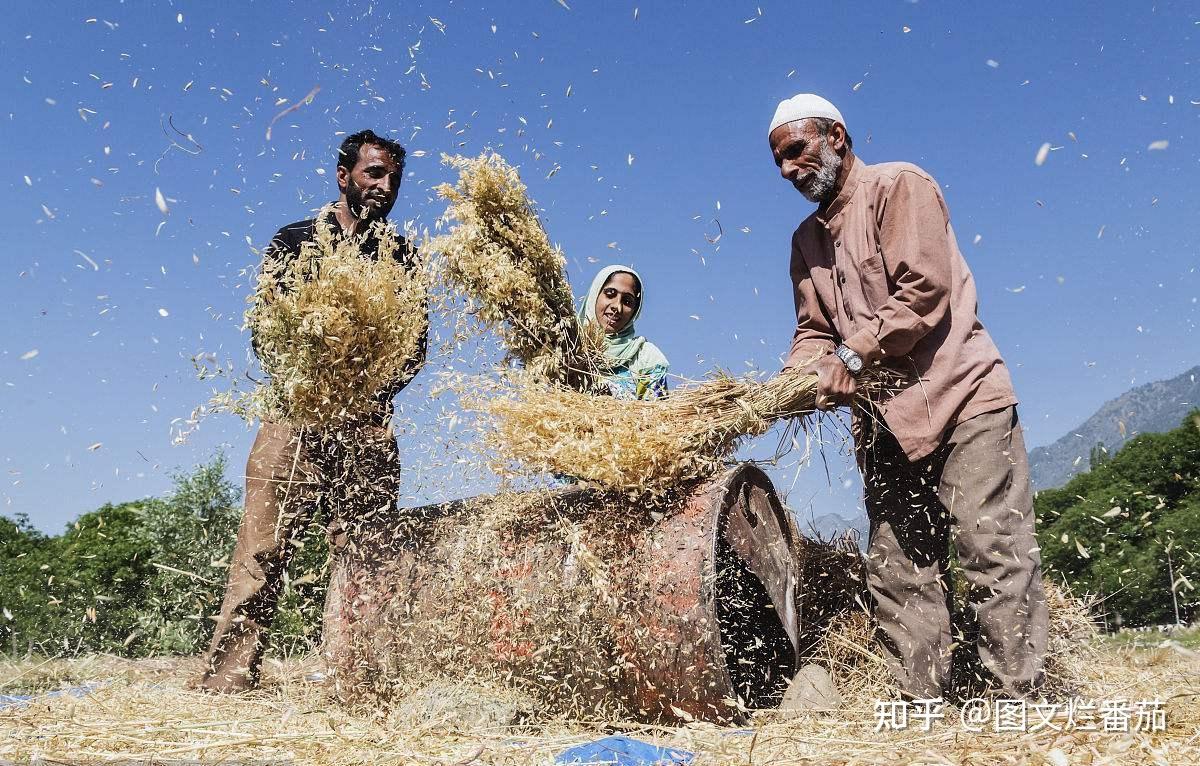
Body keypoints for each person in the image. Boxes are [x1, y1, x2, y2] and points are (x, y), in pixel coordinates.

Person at [767, 94, 1047, 701]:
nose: (789, 170)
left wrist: (850, 356)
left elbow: (924, 290)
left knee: (990, 550)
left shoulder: (899, 186)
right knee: (898, 567)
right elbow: (813, 331)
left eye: (797, 151)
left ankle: (1014, 703)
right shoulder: (805, 243)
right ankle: (922, 706)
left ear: (837, 137)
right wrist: (794, 381)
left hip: (961, 395)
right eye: (779, 162)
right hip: (884, 419)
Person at [193, 129, 424, 693]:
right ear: (344, 176)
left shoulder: (403, 256)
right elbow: (266, 332)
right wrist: (315, 371)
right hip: (294, 414)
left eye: (393, 178)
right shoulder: (295, 239)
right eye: (374, 173)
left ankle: (358, 682)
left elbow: (414, 347)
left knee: (366, 554)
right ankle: (227, 681)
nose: (385, 186)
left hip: (366, 422)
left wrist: (369, 386)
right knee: (261, 550)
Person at [579, 265, 669, 400]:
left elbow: (656, 413)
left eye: (627, 301)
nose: (617, 307)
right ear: (594, 295)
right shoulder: (567, 345)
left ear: (635, 310)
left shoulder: (646, 358)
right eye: (610, 294)